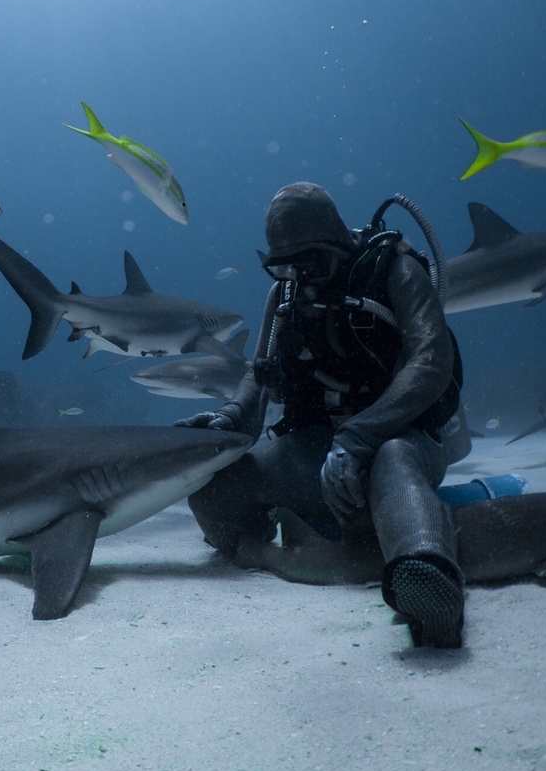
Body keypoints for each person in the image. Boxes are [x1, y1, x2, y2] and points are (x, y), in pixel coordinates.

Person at [179, 182, 465, 648]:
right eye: (283, 265)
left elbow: (430, 363)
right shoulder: (285, 293)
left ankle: (428, 582)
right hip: (318, 447)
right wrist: (230, 417)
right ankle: (270, 548)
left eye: (311, 261)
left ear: (339, 242)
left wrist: (358, 438)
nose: (299, 275)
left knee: (393, 462)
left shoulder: (396, 270)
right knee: (218, 488)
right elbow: (261, 369)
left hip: (401, 438)